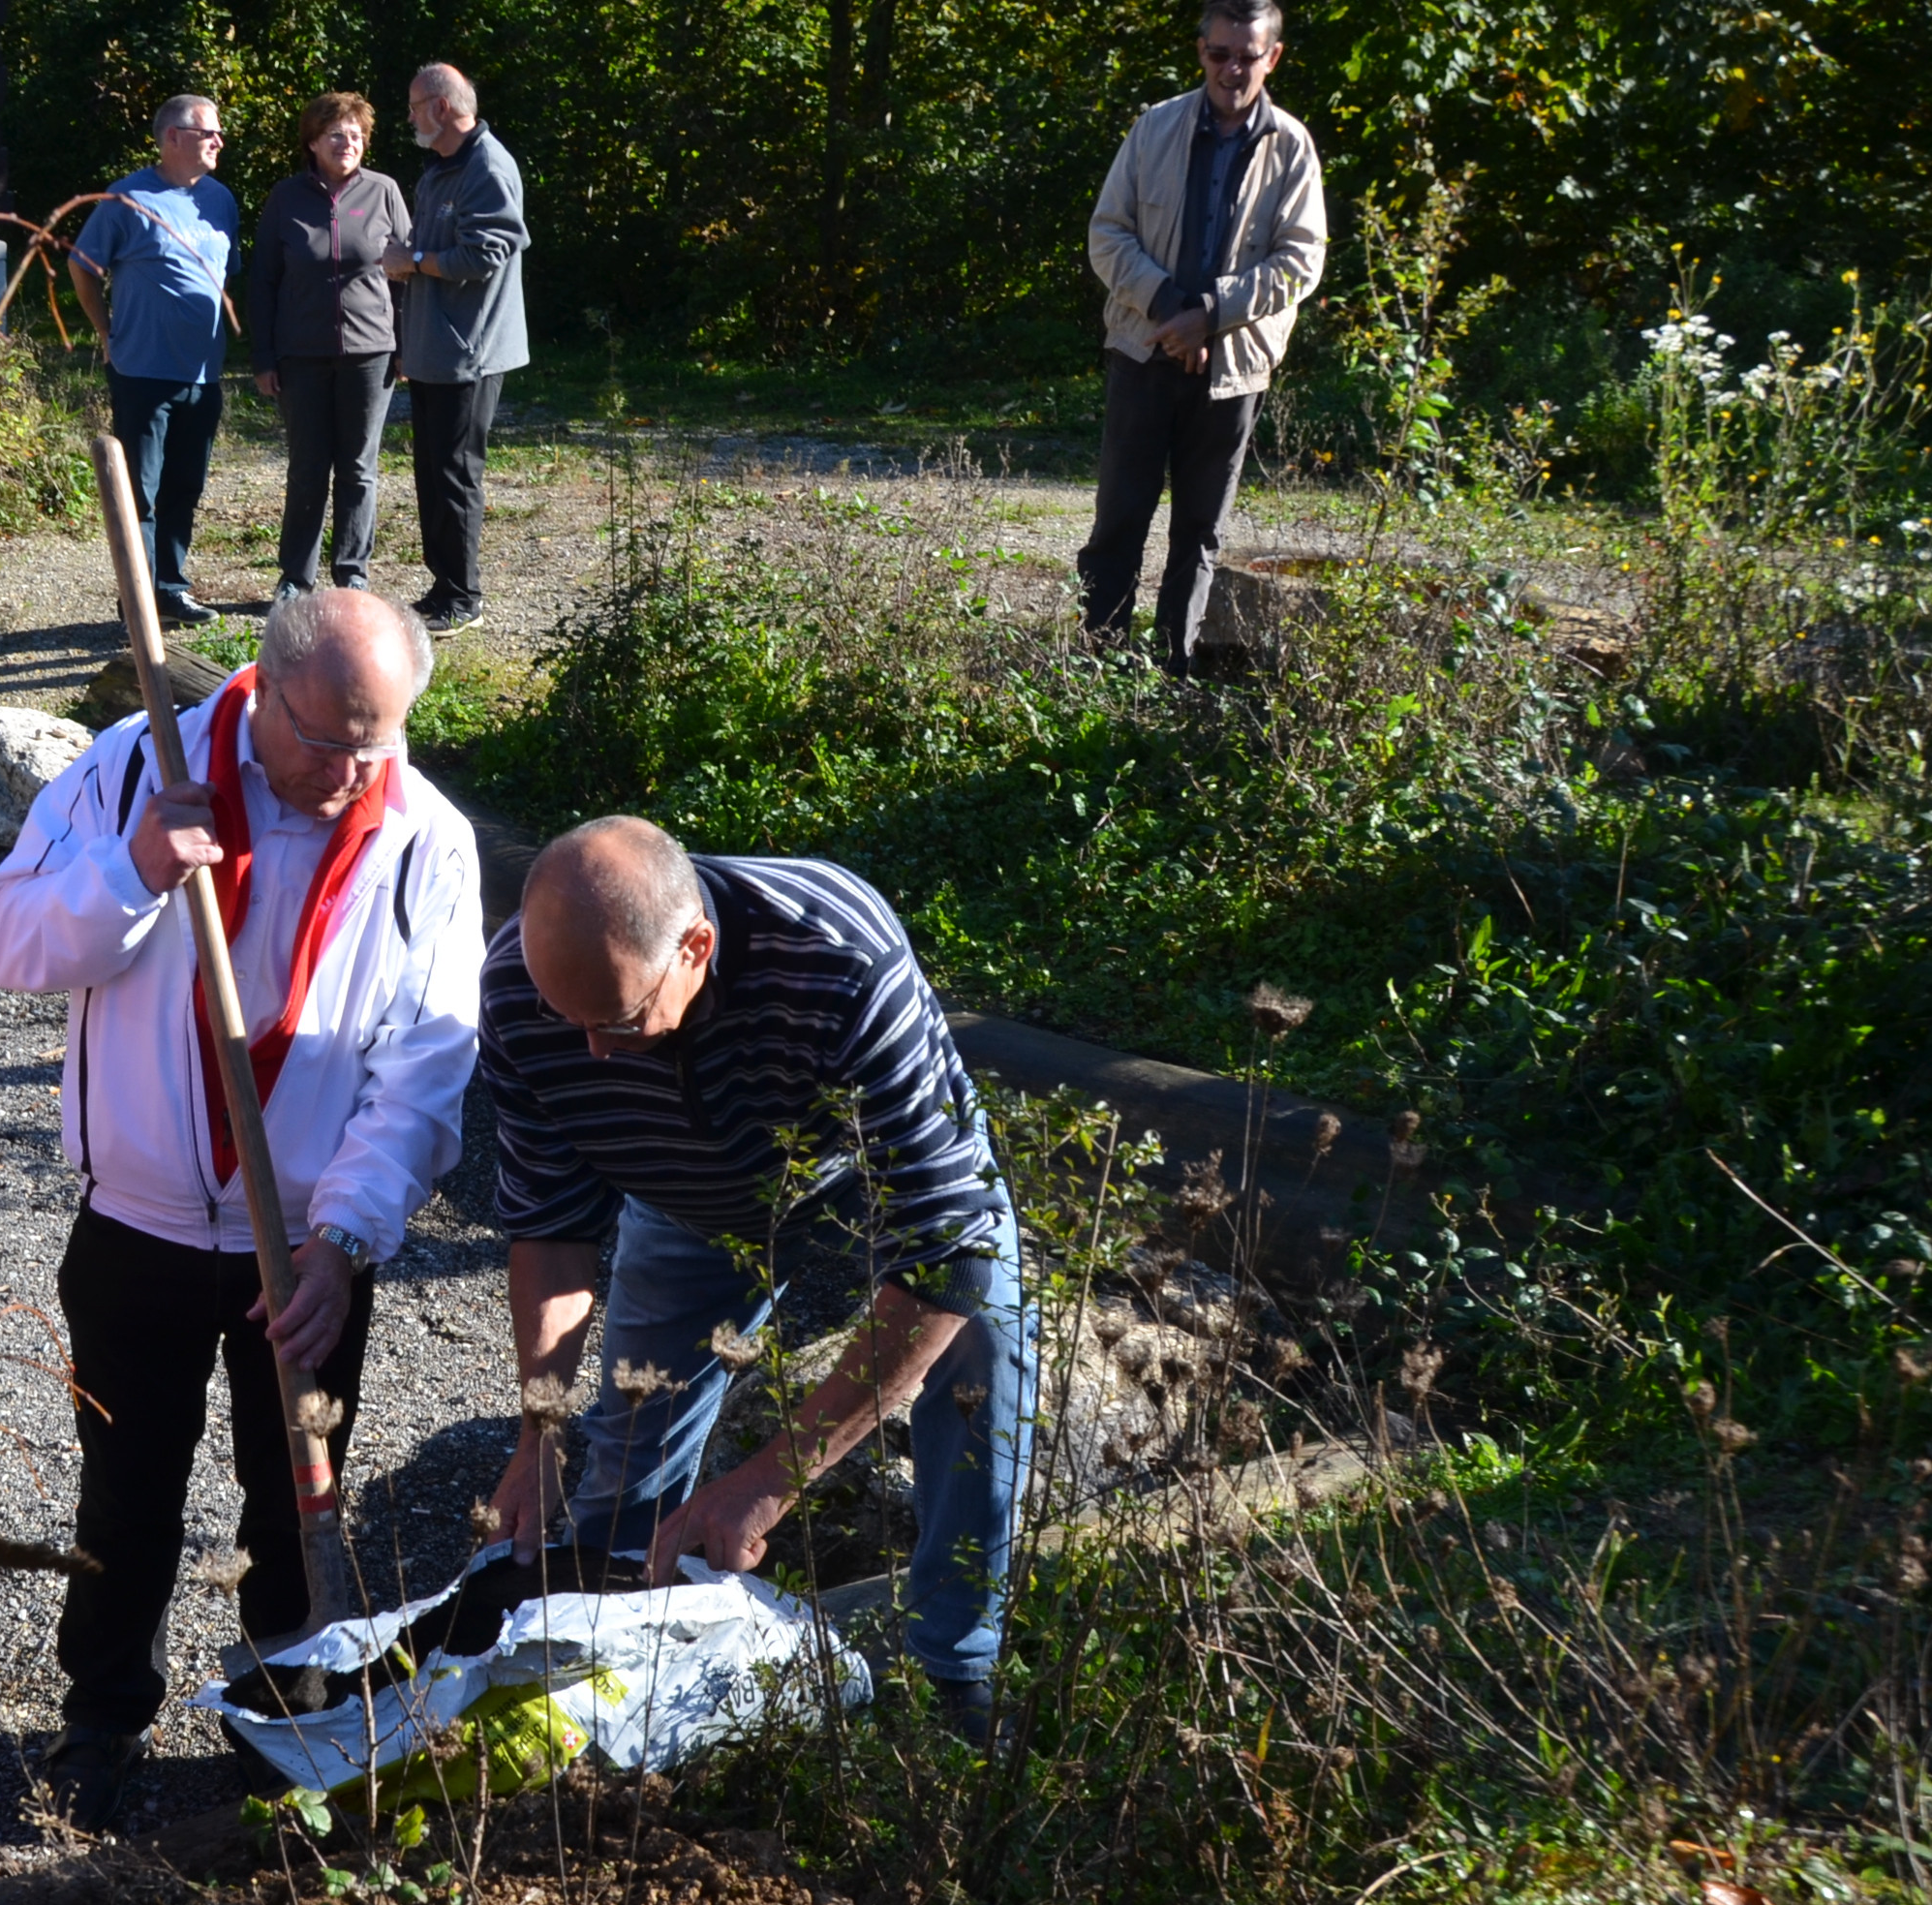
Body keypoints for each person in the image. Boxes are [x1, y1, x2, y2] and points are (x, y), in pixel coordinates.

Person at [0, 588, 483, 1828]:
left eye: (378, 742)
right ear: (265, 691)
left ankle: (281, 1724)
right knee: (126, 1491)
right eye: (328, 741)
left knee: (296, 1495)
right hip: (135, 1222)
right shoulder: (134, 768)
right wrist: (133, 873)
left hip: (306, 1247)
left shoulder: (424, 835)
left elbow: (427, 1064)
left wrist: (345, 1238)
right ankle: (103, 1719)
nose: (352, 773)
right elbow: (3, 939)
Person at [477, 818, 1031, 1741]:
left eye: (617, 1022)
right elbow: (551, 1229)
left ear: (696, 947)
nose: (593, 1054)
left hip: (861, 1180)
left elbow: (947, 1252)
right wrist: (540, 1431)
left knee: (982, 1355)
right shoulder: (518, 987)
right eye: (564, 1020)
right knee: (624, 1462)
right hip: (686, 1203)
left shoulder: (835, 955)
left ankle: (956, 1670)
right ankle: (610, 1681)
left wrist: (772, 1479)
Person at [1079, 0, 1330, 668]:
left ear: (1273, 57)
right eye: (1220, 54)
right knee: (1118, 523)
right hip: (1143, 350)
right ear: (1201, 51)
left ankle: (1172, 676)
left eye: (1248, 56)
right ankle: (1099, 670)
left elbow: (1301, 261)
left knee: (1199, 533)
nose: (1232, 69)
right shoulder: (1154, 127)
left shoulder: (1292, 146)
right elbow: (1107, 234)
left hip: (1234, 369)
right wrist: (1170, 312)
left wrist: (1211, 316)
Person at [70, 93, 244, 629]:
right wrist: (106, 330)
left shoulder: (220, 200)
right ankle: (138, 604)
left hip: (203, 372)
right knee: (139, 493)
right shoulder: (127, 199)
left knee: (184, 487)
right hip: (143, 371)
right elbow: (82, 266)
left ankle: (170, 589)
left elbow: (226, 274)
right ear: (173, 137)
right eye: (209, 133)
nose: (219, 142)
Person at [247, 93, 413, 599]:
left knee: (359, 466)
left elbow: (407, 276)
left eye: (356, 135)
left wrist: (406, 346)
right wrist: (263, 357)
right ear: (314, 142)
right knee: (308, 466)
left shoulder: (384, 191)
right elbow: (263, 282)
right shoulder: (286, 197)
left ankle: (351, 572)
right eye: (337, 134)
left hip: (371, 353)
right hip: (300, 354)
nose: (348, 143)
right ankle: (296, 577)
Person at [395, 65, 528, 638]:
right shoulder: (437, 170)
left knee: (455, 475)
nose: (409, 118)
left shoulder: (487, 167)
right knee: (431, 473)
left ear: (441, 108)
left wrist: (412, 261)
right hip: (432, 349)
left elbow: (485, 255)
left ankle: (463, 597)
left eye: (413, 107)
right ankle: (443, 586)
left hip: (469, 353)